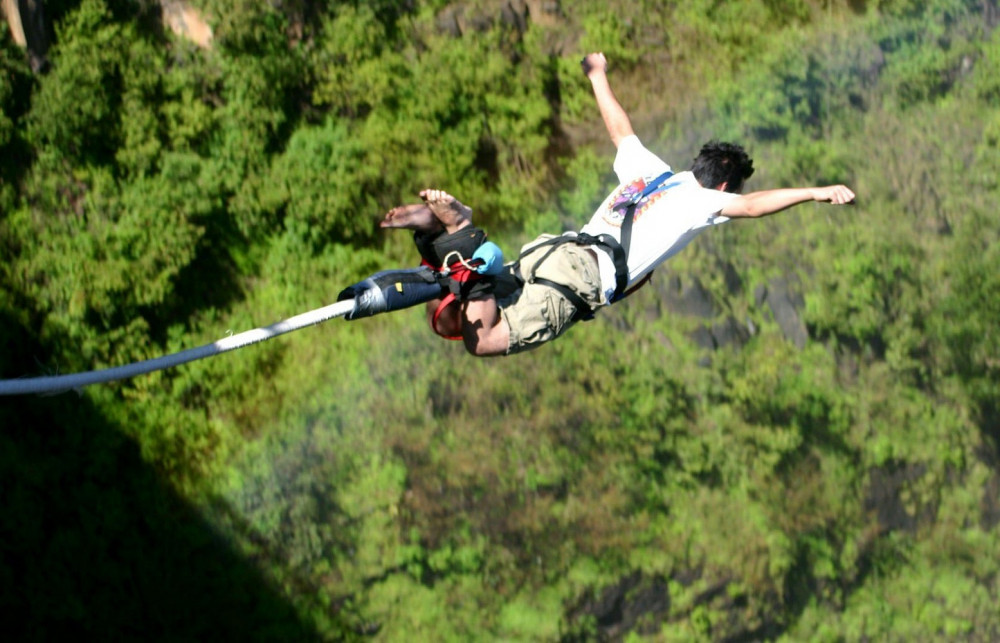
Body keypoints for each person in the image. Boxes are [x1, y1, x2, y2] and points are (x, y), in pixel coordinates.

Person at [369, 52, 856, 357]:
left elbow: (619, 128)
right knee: (486, 340)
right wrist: (814, 192)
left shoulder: (652, 172)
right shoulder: (702, 202)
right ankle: (464, 233)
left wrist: (597, 74)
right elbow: (753, 207)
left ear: (697, 163)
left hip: (551, 250)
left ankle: (439, 240)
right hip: (581, 278)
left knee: (463, 314)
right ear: (723, 187)